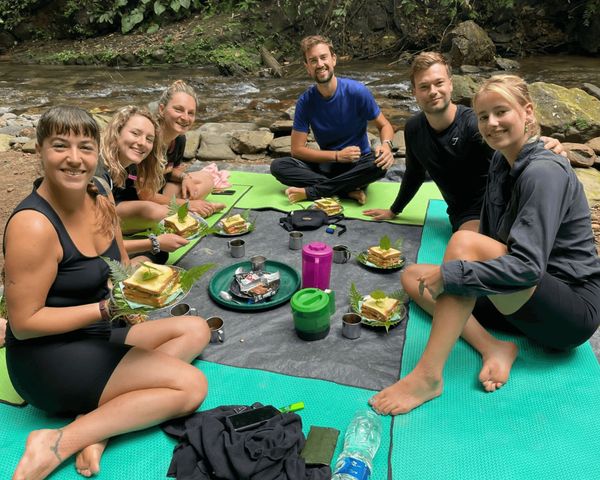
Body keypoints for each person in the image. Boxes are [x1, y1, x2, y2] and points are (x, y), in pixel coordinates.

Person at [369, 75, 600, 416]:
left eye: (501, 111)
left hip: (567, 312)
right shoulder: (499, 161)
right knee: (414, 277)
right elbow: (492, 240)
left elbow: (527, 267)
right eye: (483, 116)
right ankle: (494, 347)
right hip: (522, 299)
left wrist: (454, 273)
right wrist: (454, 274)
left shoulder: (543, 172)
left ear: (528, 112)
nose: (491, 124)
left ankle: (429, 376)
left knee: (462, 246)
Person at [3, 106, 210, 479]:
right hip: (48, 359)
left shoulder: (98, 194)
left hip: (98, 331)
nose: (74, 159)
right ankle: (56, 442)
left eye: (85, 147)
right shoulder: (32, 226)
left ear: (97, 153)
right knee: (191, 386)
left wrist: (152, 282)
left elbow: (120, 262)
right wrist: (105, 308)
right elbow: (23, 324)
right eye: (60, 146)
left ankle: (99, 422)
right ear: (39, 150)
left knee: (196, 329)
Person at [363, 52, 564, 232]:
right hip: (464, 213)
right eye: (424, 87)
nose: (433, 91)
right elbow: (414, 173)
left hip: (498, 205)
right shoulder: (414, 128)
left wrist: (541, 148)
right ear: (414, 93)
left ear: (450, 84)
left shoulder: (475, 124)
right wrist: (394, 210)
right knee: (468, 247)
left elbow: (513, 153)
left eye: (439, 83)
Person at [270, 35, 395, 205]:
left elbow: (384, 125)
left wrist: (386, 145)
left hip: (358, 164)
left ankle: (314, 191)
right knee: (278, 166)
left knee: (379, 164)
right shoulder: (305, 101)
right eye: (313, 61)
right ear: (307, 67)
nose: (320, 64)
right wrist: (337, 156)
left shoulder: (357, 92)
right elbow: (297, 150)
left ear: (333, 59)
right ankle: (346, 190)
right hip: (327, 164)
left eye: (323, 57)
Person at [100, 105, 189, 259]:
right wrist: (154, 243)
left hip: (107, 234)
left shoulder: (129, 165)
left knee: (159, 255)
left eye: (149, 139)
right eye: (135, 133)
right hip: (78, 253)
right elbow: (101, 244)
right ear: (117, 132)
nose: (142, 143)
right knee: (157, 252)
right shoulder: (99, 176)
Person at [154, 80, 226, 218]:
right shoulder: (147, 139)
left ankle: (181, 210)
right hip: (139, 197)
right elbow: (142, 192)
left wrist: (184, 177)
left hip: (160, 190)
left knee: (206, 179)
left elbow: (168, 171)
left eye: (191, 113)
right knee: (151, 212)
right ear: (162, 109)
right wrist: (186, 204)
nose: (185, 118)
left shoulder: (179, 139)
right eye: (178, 109)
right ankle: (191, 210)